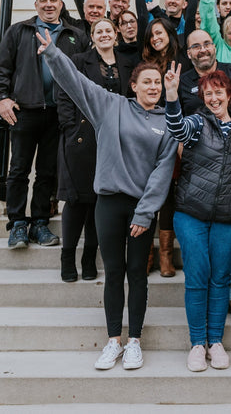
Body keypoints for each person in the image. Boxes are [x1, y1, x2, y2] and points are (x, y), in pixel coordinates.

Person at [36, 30, 176, 372]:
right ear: (134, 85)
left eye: (157, 82)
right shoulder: (110, 107)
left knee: (137, 275)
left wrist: (146, 213)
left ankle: (134, 342)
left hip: (142, 209)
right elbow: (77, 83)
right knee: (114, 272)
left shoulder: (168, 122)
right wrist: (53, 53)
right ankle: (114, 339)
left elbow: (163, 171)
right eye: (147, 82)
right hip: (110, 204)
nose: (153, 87)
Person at [161, 61, 231, 372]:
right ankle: (196, 343)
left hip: (229, 217)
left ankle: (215, 342)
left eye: (218, 92)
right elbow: (176, 128)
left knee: (220, 279)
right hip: (191, 213)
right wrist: (173, 96)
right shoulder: (197, 123)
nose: (213, 98)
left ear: (230, 94)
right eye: (207, 94)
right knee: (198, 277)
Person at [178, 23, 231, 317]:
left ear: (215, 46)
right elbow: (175, 121)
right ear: (188, 54)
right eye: (195, 46)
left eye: (206, 43)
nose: (203, 49)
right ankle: (207, 296)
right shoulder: (182, 80)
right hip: (198, 167)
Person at [0, 0, 85, 249]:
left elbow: (83, 76)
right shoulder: (19, 31)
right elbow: (1, 68)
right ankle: (18, 223)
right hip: (24, 111)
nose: (49, 4)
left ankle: (40, 223)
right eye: (43, 0)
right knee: (19, 170)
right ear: (36, 5)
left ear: (61, 5)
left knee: (47, 172)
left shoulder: (74, 35)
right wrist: (1, 98)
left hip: (58, 114)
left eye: (53, 0)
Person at [55, 18, 134, 282]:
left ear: (116, 35)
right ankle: (68, 258)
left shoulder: (126, 63)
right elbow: (64, 91)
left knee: (100, 200)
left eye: (108, 31)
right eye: (98, 31)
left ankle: (89, 257)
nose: (104, 35)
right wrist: (69, 127)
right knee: (77, 200)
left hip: (112, 141)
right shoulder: (79, 61)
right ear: (92, 35)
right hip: (81, 138)